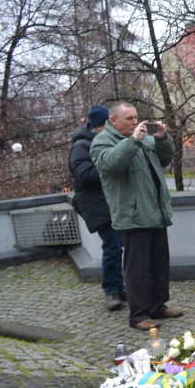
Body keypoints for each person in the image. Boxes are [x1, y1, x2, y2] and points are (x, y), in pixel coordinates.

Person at [90, 102, 184, 331]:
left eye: (135, 117)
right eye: (129, 118)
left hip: (155, 211)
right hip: (132, 216)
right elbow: (111, 165)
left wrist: (162, 139)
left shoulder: (143, 138)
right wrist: (133, 140)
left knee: (159, 264)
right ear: (113, 121)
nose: (135, 121)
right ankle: (139, 314)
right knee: (137, 269)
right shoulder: (102, 141)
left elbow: (164, 160)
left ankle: (157, 305)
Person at [68, 105, 126, 312]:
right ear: (100, 126)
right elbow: (85, 176)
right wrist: (110, 166)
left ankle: (118, 288)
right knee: (112, 246)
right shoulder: (81, 146)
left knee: (116, 246)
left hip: (107, 202)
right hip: (96, 205)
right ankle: (111, 291)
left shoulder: (97, 142)